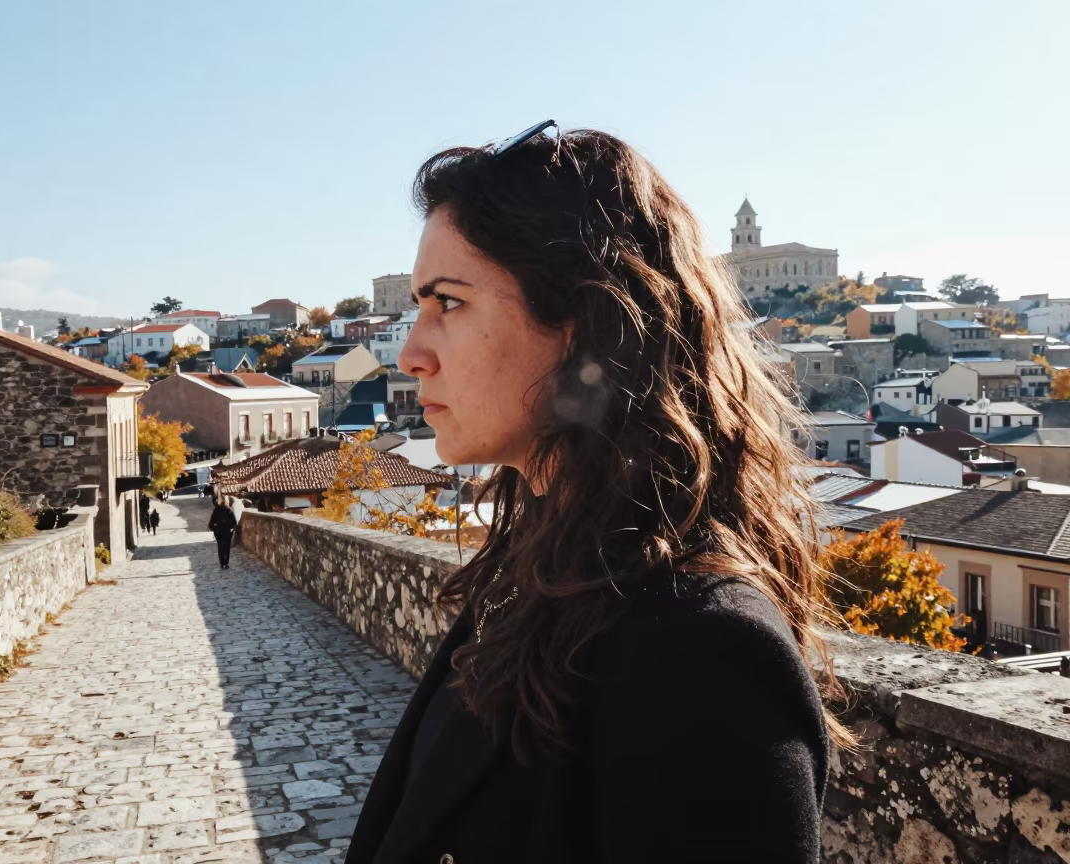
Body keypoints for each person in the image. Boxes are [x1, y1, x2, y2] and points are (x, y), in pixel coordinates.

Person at [345, 124, 853, 864]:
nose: (412, 354)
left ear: (583, 324)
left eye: (448, 304)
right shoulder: (533, 575)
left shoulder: (703, 652)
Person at [208, 497, 237, 569]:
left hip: (219, 533)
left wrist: (215, 529)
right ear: (227, 503)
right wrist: (231, 529)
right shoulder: (229, 510)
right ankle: (226, 563)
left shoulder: (216, 510)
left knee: (220, 548)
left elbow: (211, 524)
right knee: (227, 548)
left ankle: (222, 563)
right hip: (227, 533)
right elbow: (234, 522)